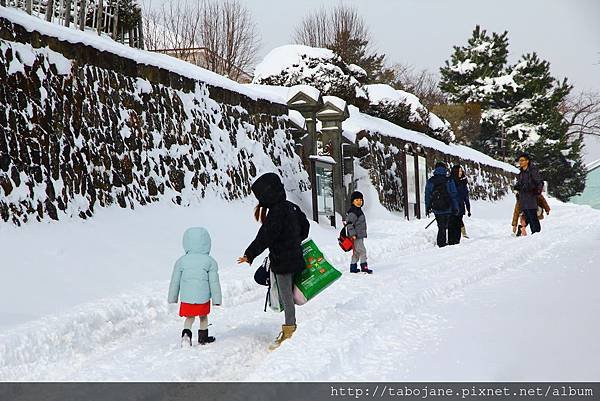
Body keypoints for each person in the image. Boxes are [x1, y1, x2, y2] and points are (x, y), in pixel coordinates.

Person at [237, 172, 309, 350]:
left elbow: (265, 237)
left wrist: (250, 254)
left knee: (286, 295)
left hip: (283, 263)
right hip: (295, 257)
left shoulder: (276, 214)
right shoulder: (292, 207)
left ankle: (289, 329)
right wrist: (294, 240)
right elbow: (305, 228)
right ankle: (289, 325)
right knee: (287, 293)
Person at [168, 227, 222, 346]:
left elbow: (175, 281)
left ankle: (186, 335)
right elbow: (214, 282)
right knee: (203, 317)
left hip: (187, 297)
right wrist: (217, 300)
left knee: (190, 317)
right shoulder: (210, 261)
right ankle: (203, 338)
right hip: (203, 297)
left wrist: (172, 297)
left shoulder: (181, 261)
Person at [425, 162, 460, 247]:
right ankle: (449, 242)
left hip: (436, 208)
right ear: (445, 169)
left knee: (441, 227)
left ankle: (441, 243)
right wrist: (456, 207)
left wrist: (428, 207)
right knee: (448, 226)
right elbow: (453, 195)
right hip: (448, 207)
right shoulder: (449, 180)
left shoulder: (431, 181)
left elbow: (427, 195)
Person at [514, 153, 543, 234]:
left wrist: (536, 191)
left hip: (531, 197)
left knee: (533, 215)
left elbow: (539, 182)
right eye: (519, 161)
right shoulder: (521, 173)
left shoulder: (533, 171)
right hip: (523, 198)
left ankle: (536, 233)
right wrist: (516, 187)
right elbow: (519, 183)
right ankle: (529, 231)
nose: (520, 162)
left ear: (527, 161)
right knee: (528, 215)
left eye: (522, 160)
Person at [345, 191, 372, 274]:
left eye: (360, 200)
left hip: (359, 235)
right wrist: (352, 234)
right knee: (362, 251)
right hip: (356, 236)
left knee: (356, 252)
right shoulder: (353, 212)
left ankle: (353, 267)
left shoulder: (358, 210)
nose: (359, 202)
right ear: (353, 201)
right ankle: (364, 267)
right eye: (357, 200)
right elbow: (349, 224)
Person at [450, 165, 472, 240]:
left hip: (460, 206)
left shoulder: (463, 182)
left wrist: (468, 209)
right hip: (452, 205)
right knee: (454, 222)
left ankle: (458, 238)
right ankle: (454, 239)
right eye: (459, 171)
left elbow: (466, 196)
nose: (460, 172)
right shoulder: (450, 181)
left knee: (459, 220)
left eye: (461, 171)